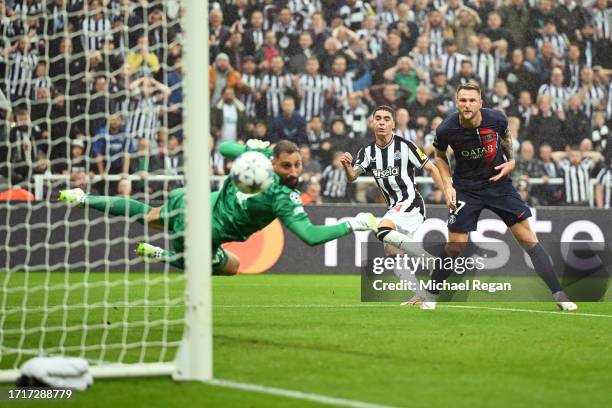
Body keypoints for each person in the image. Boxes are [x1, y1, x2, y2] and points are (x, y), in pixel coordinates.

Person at [58, 139, 377, 275]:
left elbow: (224, 147)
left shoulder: (258, 161)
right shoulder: (283, 196)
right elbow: (308, 235)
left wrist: (251, 147)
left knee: (148, 214)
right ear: (275, 163)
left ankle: (84, 198)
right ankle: (164, 255)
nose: (294, 172)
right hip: (201, 232)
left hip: (191, 200)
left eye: (297, 165)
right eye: (287, 166)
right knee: (231, 266)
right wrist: (353, 223)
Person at [427, 82, 577, 311]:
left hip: (498, 184)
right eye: (462, 100)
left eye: (471, 100)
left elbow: (506, 140)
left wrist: (512, 161)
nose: (467, 105)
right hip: (466, 187)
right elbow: (439, 156)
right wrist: (447, 185)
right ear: (456, 103)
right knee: (456, 246)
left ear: (480, 103)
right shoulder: (446, 129)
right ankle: (430, 295)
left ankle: (559, 295)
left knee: (527, 239)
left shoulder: (497, 119)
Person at [340, 105, 448, 306]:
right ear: (372, 123)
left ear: (393, 124)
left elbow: (432, 169)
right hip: (394, 206)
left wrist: (448, 195)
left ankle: (432, 261)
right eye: (378, 118)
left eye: (386, 119)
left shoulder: (405, 146)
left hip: (411, 202)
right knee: (391, 251)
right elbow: (353, 177)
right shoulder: (368, 152)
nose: (382, 122)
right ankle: (421, 294)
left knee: (382, 229)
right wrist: (347, 167)